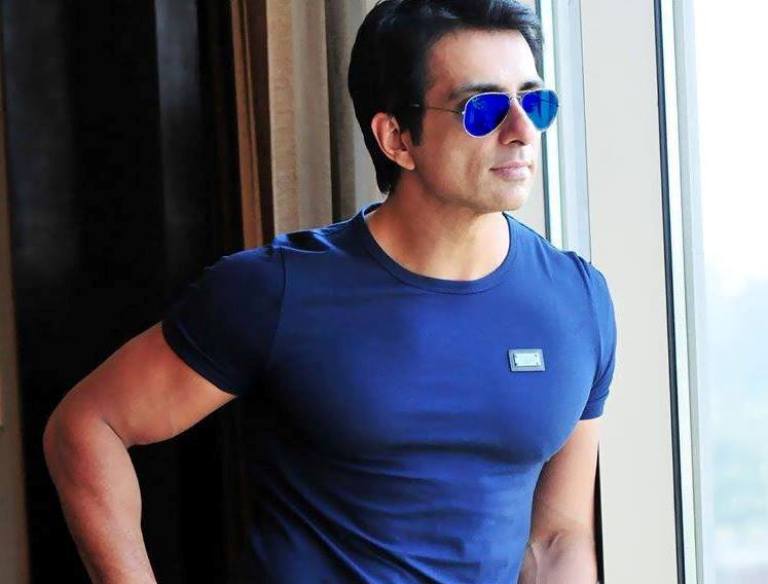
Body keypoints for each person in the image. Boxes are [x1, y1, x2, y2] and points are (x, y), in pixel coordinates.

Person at [43, 0, 617, 582]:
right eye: (484, 109)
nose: (521, 131)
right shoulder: (276, 289)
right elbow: (89, 425)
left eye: (533, 101)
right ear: (396, 138)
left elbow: (557, 538)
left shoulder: (578, 301)